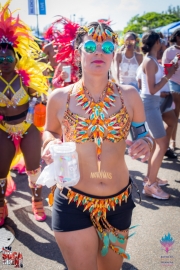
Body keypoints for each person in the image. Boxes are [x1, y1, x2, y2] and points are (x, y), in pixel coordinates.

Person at [42, 22, 152, 270]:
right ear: (78, 52)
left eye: (107, 46)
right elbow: (49, 130)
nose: (99, 51)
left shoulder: (130, 95)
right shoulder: (59, 97)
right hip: (73, 202)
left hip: (118, 203)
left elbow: (145, 135)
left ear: (114, 53)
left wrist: (145, 143)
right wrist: (48, 143)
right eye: (90, 45)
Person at [0, 1, 49, 226]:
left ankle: (37, 202)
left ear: (16, 57)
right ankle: (1, 206)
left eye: (8, 57)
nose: (4, 61)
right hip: (4, 129)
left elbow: (40, 97)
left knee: (33, 167)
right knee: (0, 169)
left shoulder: (24, 77)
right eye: (0, 59)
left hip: (28, 127)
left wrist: (38, 100)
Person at [140, 30, 178, 199]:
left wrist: (171, 69)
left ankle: (150, 179)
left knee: (158, 144)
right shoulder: (149, 61)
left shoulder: (153, 60)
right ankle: (150, 185)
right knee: (162, 144)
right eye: (161, 40)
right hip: (150, 104)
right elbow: (152, 89)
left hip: (154, 104)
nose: (163, 42)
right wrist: (169, 76)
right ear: (156, 42)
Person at [162, 28, 180, 152]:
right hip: (174, 83)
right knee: (175, 113)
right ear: (176, 37)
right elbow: (165, 69)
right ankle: (172, 141)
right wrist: (175, 62)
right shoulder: (170, 51)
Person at [51, 16, 80, 88]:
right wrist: (61, 77)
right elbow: (54, 84)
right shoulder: (64, 64)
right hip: (68, 97)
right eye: (75, 44)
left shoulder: (88, 62)